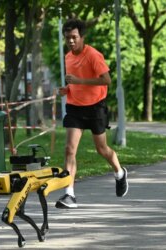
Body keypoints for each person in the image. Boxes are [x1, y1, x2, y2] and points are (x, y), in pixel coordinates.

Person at [55, 18, 128, 209]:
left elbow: (106, 80)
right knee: (70, 149)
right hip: (75, 108)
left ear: (82, 37)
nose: (70, 41)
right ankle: (69, 194)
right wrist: (67, 89)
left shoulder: (93, 55)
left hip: (95, 107)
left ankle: (119, 173)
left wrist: (79, 81)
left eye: (74, 37)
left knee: (102, 149)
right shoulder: (68, 57)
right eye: (67, 38)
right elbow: (74, 83)